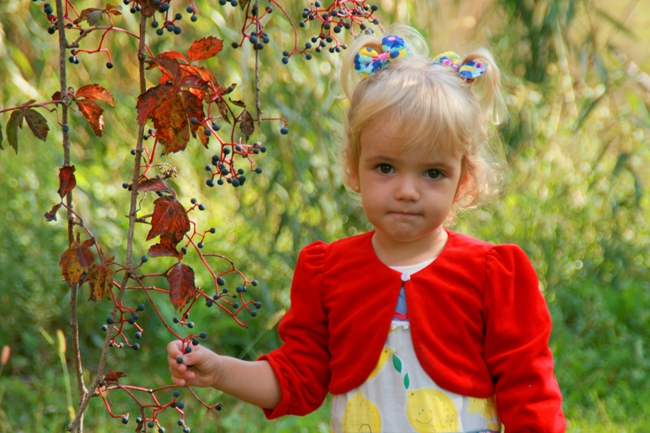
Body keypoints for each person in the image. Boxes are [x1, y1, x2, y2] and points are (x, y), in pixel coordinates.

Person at [167, 25, 566, 432]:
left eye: (433, 172)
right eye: (386, 168)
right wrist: (219, 372)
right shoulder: (329, 271)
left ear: (463, 180)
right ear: (353, 167)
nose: (407, 191)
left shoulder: (492, 274)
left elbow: (530, 393)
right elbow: (297, 378)